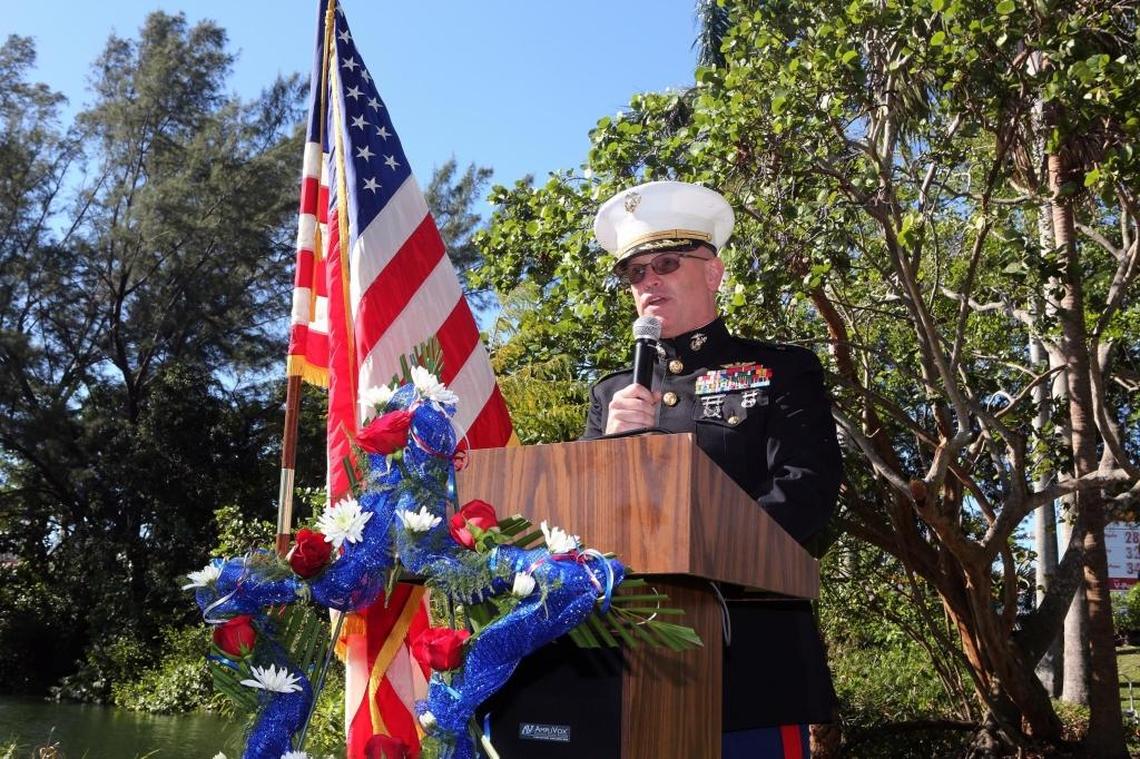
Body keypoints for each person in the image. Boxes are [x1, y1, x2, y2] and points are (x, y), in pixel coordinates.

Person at [583, 180, 842, 758]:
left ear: (713, 272)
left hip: (748, 661)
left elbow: (807, 488)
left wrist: (696, 550)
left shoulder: (779, 370)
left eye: (666, 263)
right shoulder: (611, 396)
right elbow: (578, 523)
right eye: (635, 273)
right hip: (624, 661)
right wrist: (608, 450)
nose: (648, 281)